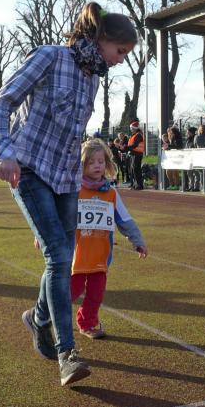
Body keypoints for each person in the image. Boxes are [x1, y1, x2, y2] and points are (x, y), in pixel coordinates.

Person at [0, 1, 136, 386]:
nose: (120, 60)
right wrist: (4, 152)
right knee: (58, 255)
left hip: (66, 179)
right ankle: (67, 353)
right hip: (29, 168)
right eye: (120, 51)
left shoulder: (93, 78)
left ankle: (37, 318)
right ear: (102, 39)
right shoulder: (50, 57)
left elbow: (73, 136)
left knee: (63, 254)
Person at [71, 139, 147, 339]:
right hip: (75, 257)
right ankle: (44, 318)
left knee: (96, 294)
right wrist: (41, 235)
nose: (97, 166)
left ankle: (87, 323)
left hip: (100, 257)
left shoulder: (111, 193)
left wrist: (138, 241)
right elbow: (57, 215)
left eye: (101, 161)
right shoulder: (73, 190)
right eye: (91, 162)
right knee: (69, 292)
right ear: (81, 165)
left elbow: (125, 219)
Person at [125, 119, 145, 190]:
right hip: (133, 154)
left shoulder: (138, 135)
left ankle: (139, 185)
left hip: (137, 154)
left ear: (135, 128)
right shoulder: (134, 135)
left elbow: (135, 145)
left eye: (132, 128)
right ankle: (135, 184)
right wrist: (125, 148)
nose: (131, 130)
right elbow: (131, 145)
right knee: (133, 170)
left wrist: (126, 147)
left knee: (136, 170)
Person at [184, 126, 200, 192]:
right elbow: (186, 148)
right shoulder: (188, 139)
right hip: (189, 158)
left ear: (192, 132)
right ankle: (191, 186)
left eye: (188, 132)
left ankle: (196, 187)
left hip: (195, 158)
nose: (187, 134)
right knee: (189, 173)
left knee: (196, 173)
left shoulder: (196, 138)